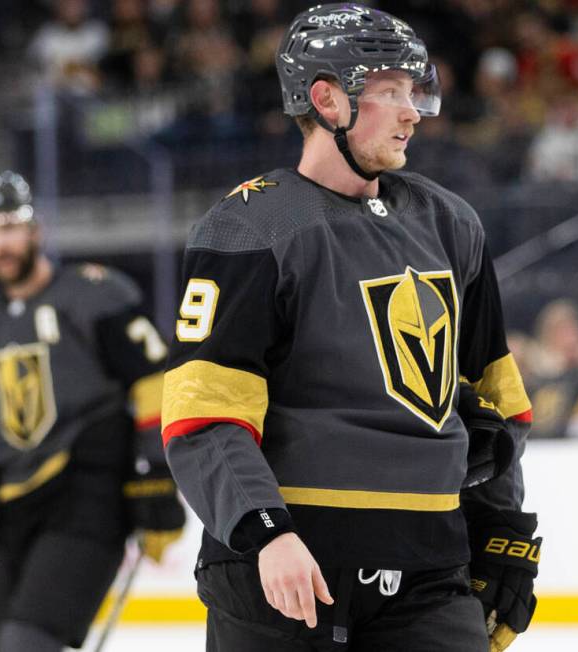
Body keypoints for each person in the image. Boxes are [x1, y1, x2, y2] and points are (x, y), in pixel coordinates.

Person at [161, 5, 539, 652]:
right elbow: (205, 419)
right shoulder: (250, 228)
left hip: (429, 567)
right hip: (286, 566)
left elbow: (491, 405)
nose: (411, 110)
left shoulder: (450, 225)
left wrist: (503, 528)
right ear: (326, 98)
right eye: (390, 90)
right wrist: (265, 533)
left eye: (414, 91)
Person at [0, 171, 184, 652]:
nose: (1, 244)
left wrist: (156, 470)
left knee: (25, 643)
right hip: (15, 504)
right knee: (4, 642)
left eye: (10, 227)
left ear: (37, 230)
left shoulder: (97, 294)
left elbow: (157, 382)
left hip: (88, 496)